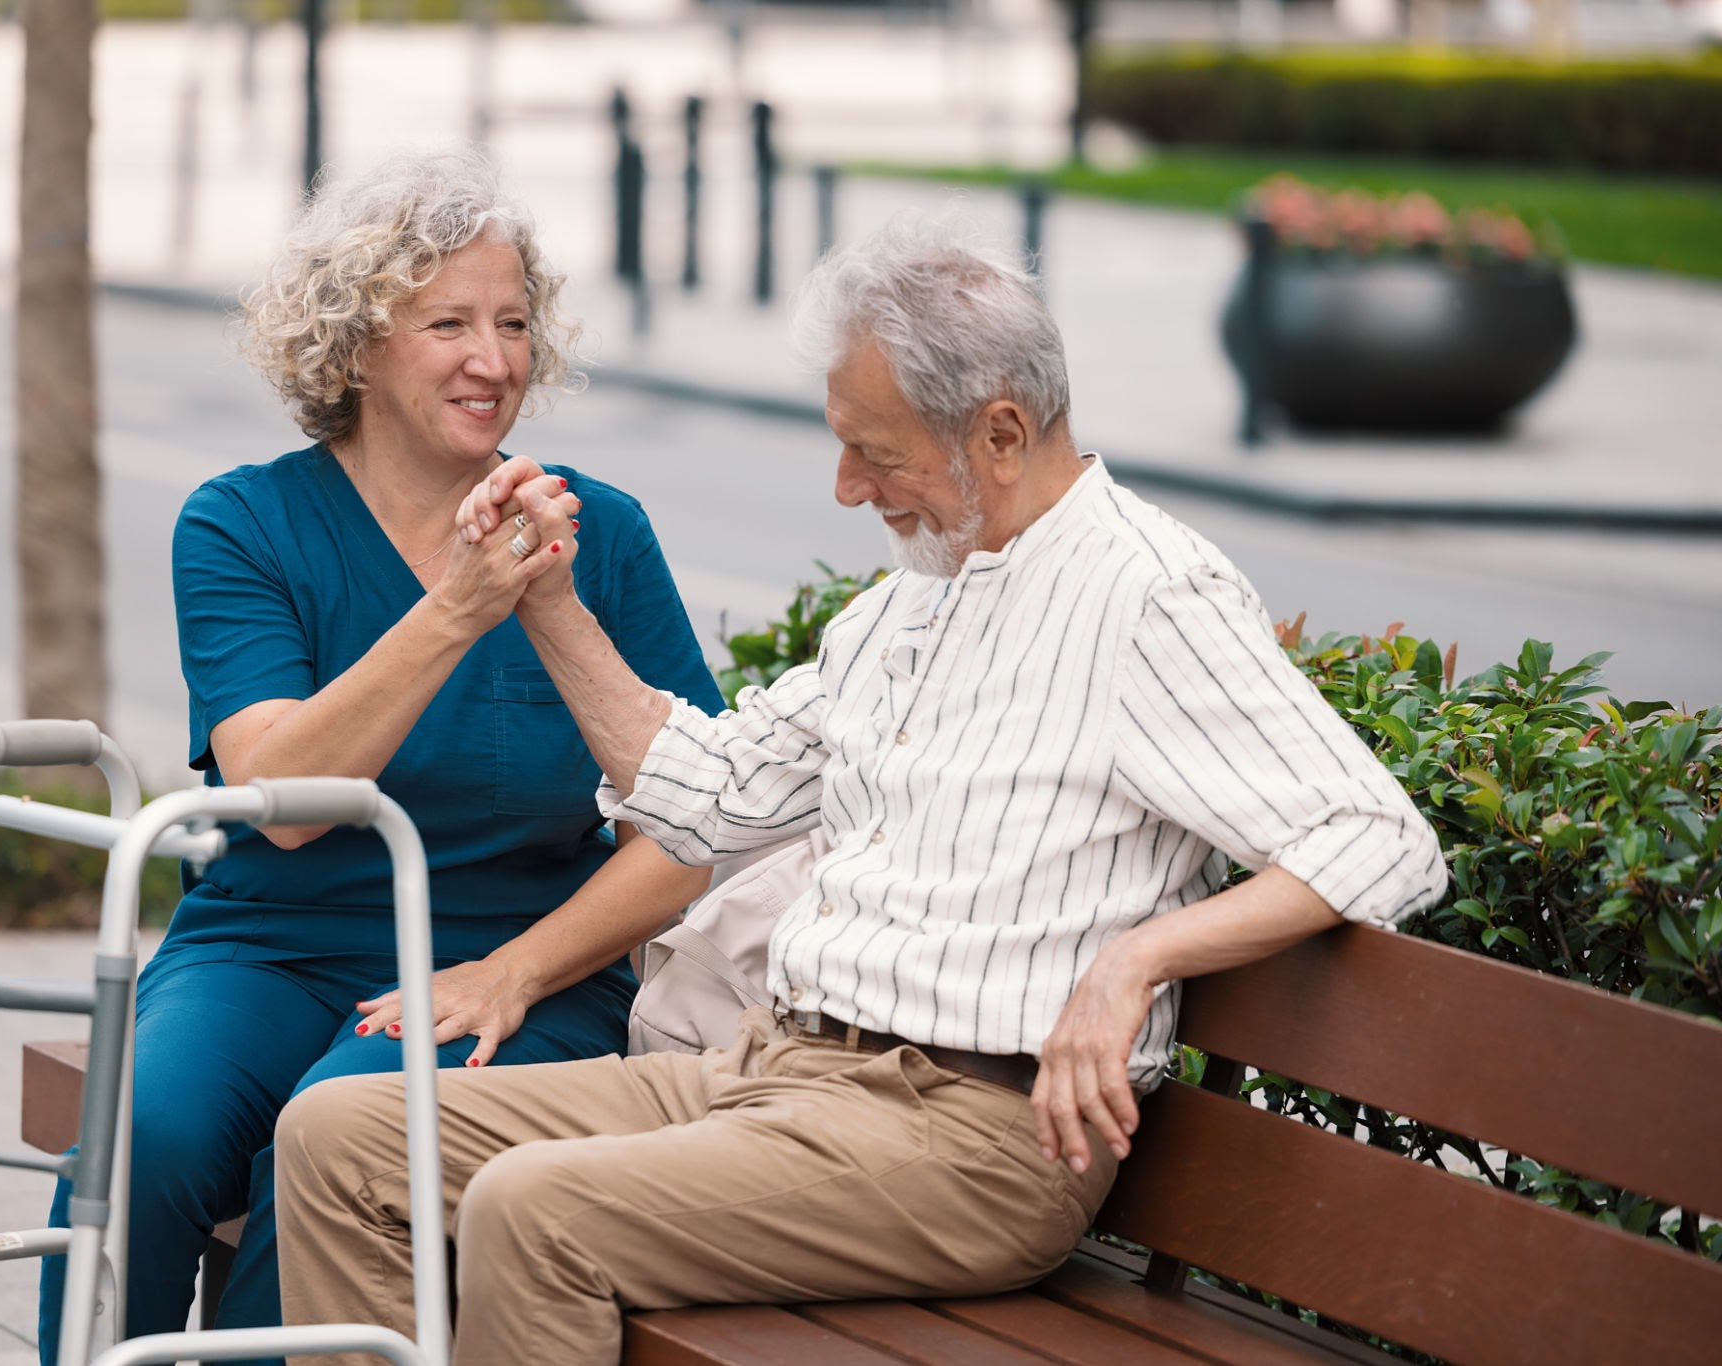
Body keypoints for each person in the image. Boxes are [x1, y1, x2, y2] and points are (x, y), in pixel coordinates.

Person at [270, 218, 1450, 1366]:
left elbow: (1375, 837)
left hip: (970, 1136)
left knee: (535, 1209)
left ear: (998, 432)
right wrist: (547, 600)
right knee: (343, 1137)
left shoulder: (1150, 595)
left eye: (874, 452)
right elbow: (710, 794)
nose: (846, 487)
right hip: (775, 1075)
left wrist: (1135, 961)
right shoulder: (916, 596)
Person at [33, 148, 721, 1363]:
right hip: (270, 940)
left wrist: (513, 971)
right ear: (354, 347)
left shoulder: (597, 535)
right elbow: (281, 803)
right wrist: (458, 606)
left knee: (335, 1133)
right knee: (144, 1131)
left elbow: (692, 831)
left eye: (512, 322)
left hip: (513, 968)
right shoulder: (243, 521)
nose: (495, 359)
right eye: (448, 322)